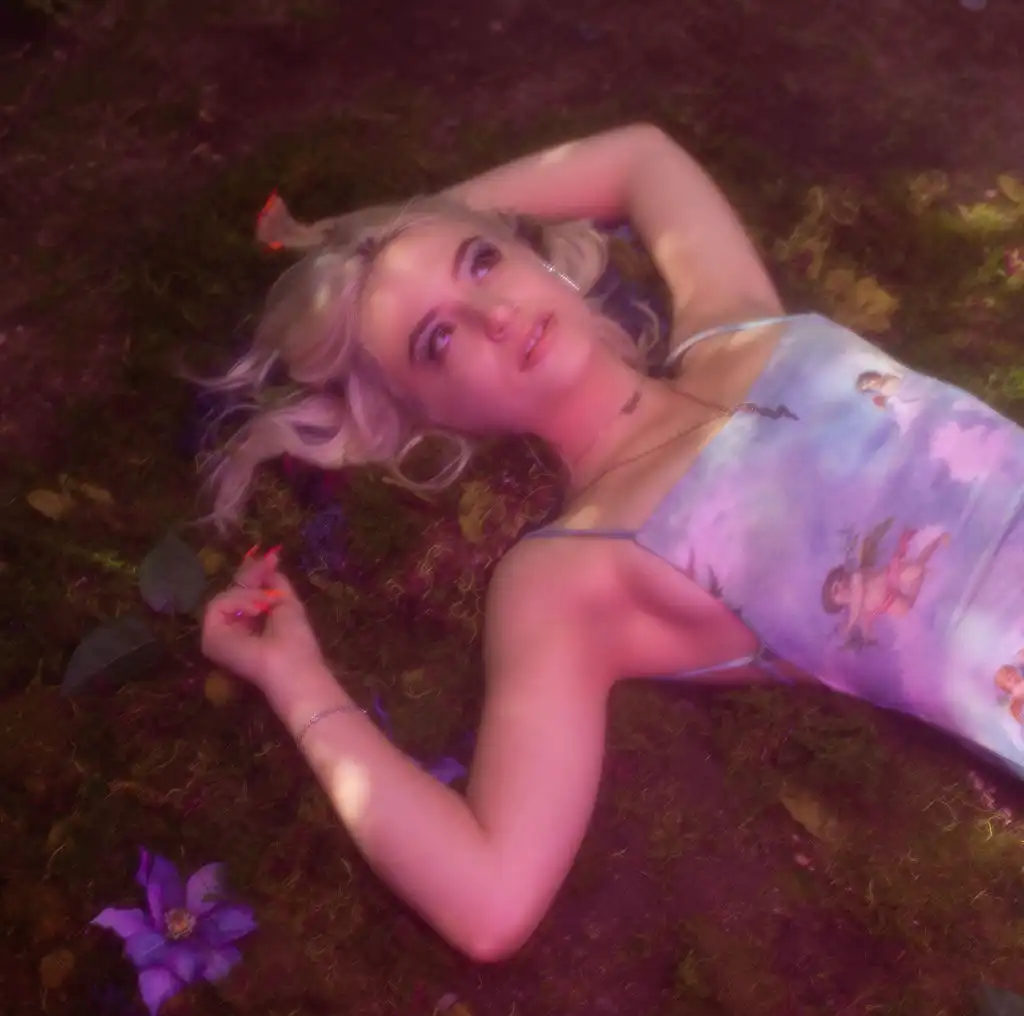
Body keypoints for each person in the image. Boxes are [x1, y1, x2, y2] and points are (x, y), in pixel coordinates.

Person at [198, 123, 1024, 963]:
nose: (495, 315)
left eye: (482, 262)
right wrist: (295, 678)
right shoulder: (573, 573)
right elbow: (490, 900)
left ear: (532, 255)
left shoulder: (734, 322)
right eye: (437, 340)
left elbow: (640, 156)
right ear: (426, 417)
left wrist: (385, 226)